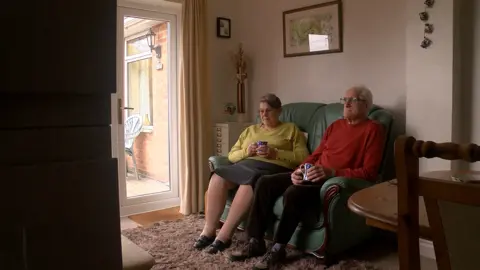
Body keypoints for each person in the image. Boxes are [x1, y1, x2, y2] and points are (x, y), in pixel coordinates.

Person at [229, 86, 386, 270]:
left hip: (329, 180)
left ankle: (278, 249)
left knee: (293, 193)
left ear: (366, 105)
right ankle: (255, 241)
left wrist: (331, 173)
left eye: (353, 100)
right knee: (264, 182)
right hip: (310, 172)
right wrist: (299, 169)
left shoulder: (373, 129)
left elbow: (370, 173)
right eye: (345, 100)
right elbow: (315, 155)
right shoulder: (335, 126)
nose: (346, 104)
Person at [194, 93, 309, 254]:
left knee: (249, 182)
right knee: (218, 176)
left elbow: (303, 157)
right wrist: (247, 152)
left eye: (268, 111)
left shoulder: (291, 130)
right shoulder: (250, 130)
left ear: (279, 111)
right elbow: (232, 155)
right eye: (261, 111)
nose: (264, 115)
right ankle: (208, 231)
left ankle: (224, 236)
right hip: (245, 164)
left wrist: (275, 153)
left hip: (270, 169)